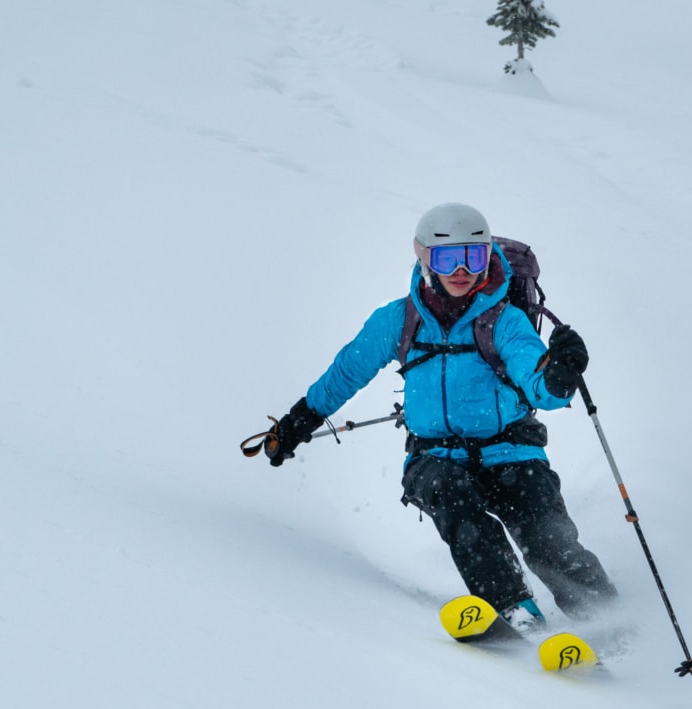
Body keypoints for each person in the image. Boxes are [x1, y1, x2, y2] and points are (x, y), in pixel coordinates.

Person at [264, 203, 618, 634]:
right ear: (424, 258)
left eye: (473, 256)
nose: (461, 270)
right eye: (447, 258)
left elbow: (537, 381)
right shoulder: (399, 320)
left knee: (548, 536)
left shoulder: (505, 321)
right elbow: (346, 374)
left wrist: (560, 376)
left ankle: (610, 623)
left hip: (512, 450)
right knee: (457, 505)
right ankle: (515, 608)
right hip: (435, 457)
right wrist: (298, 421)